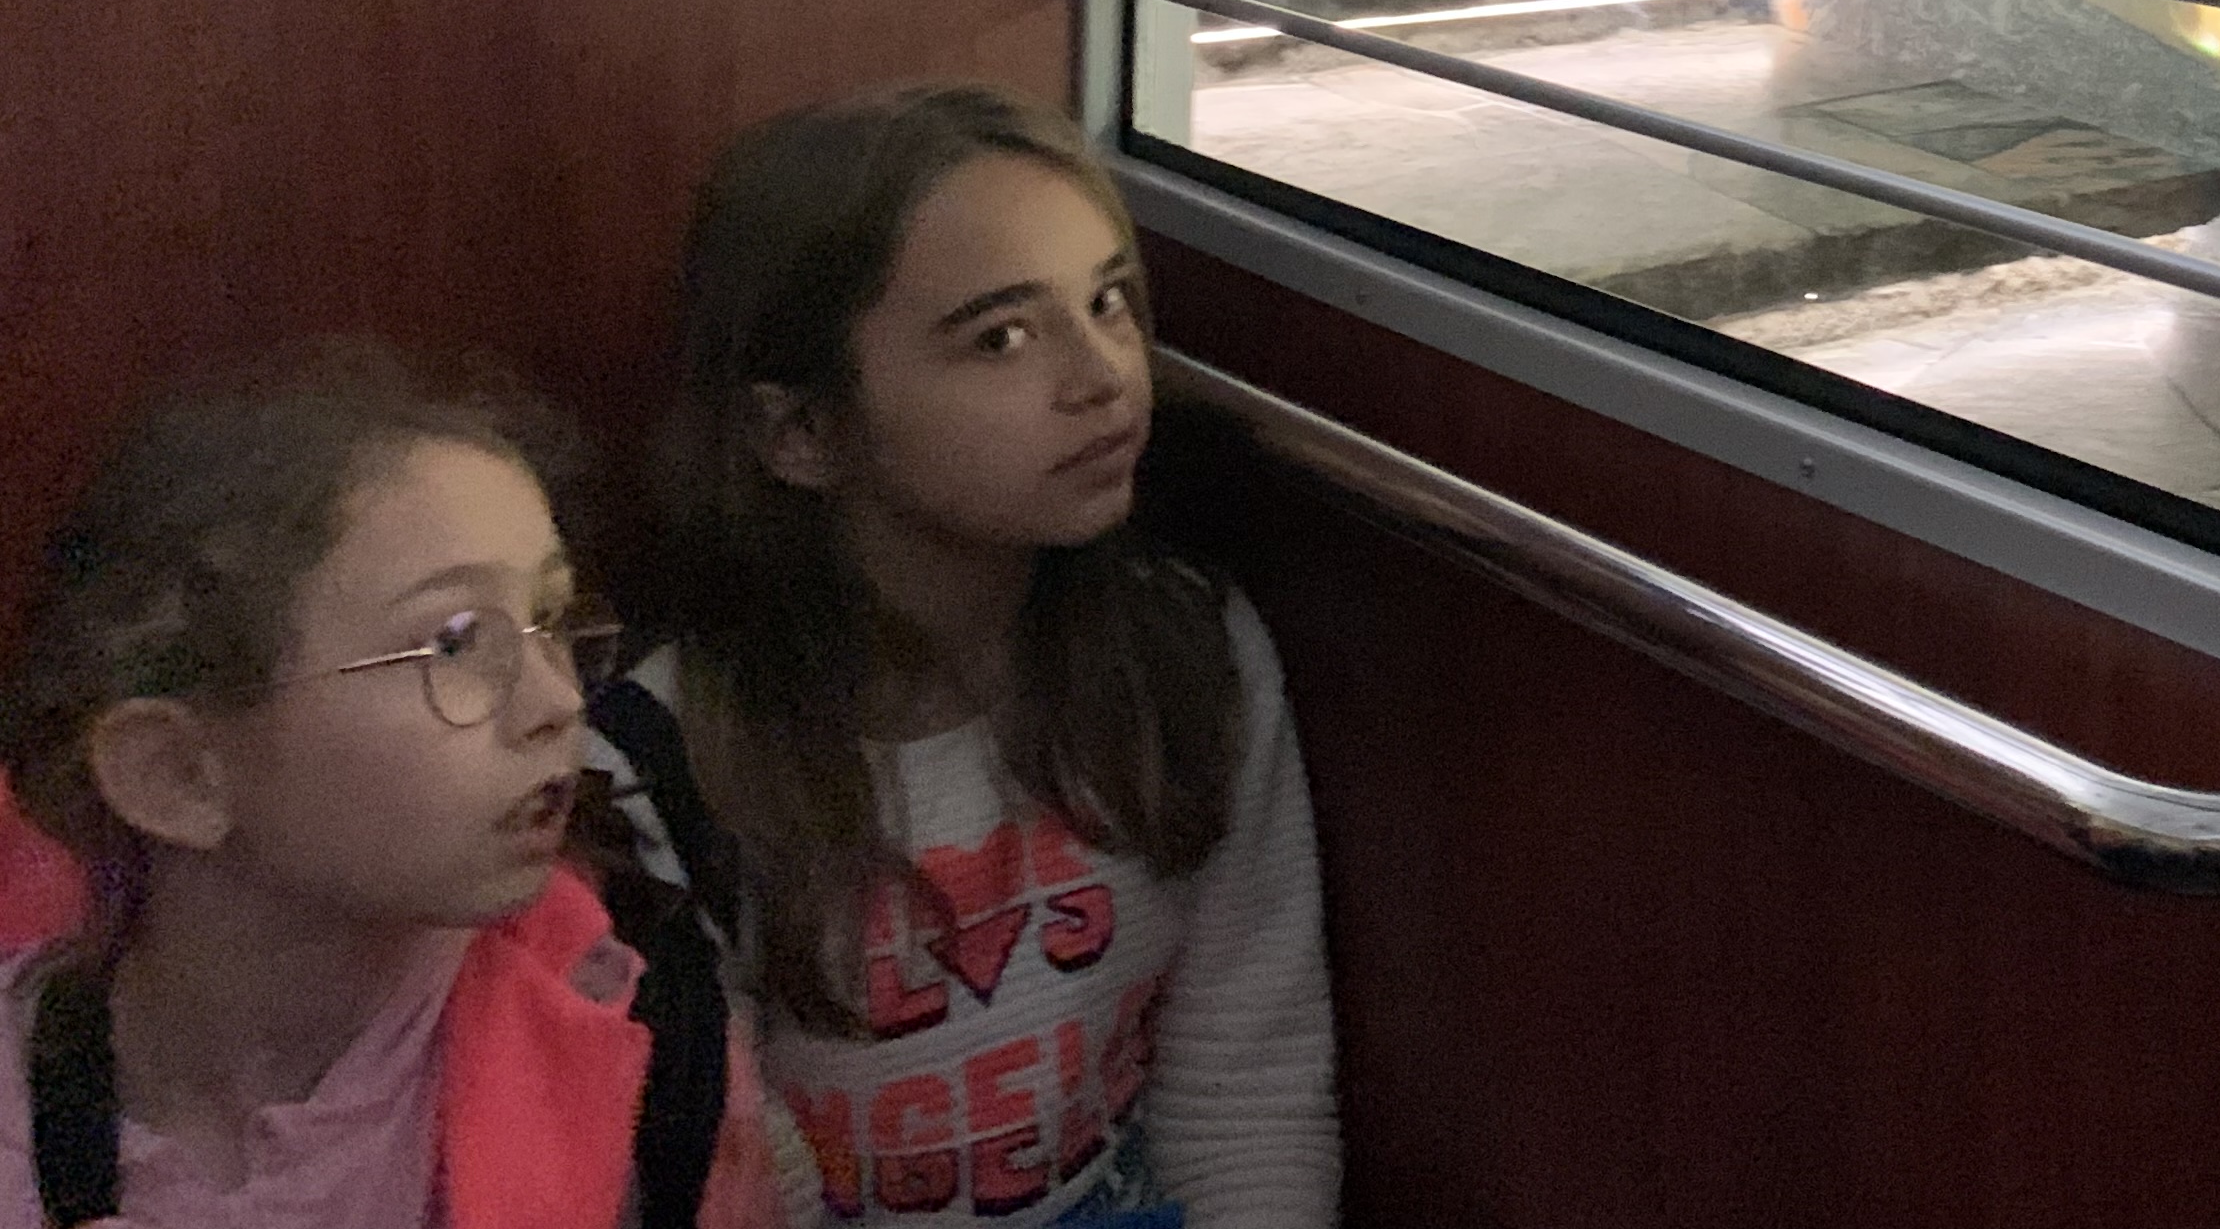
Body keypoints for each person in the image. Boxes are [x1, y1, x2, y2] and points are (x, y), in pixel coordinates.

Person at [613, 85, 1339, 1228]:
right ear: (803, 433)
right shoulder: (660, 765)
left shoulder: (1187, 651)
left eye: (1107, 301)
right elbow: (738, 1179)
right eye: (1001, 337)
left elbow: (1245, 1087)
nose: (1101, 376)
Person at [0, 352, 788, 1228]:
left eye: (550, 620)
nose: (560, 701)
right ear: (178, 776)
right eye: (454, 644)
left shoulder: (642, 1023)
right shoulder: (25, 1130)